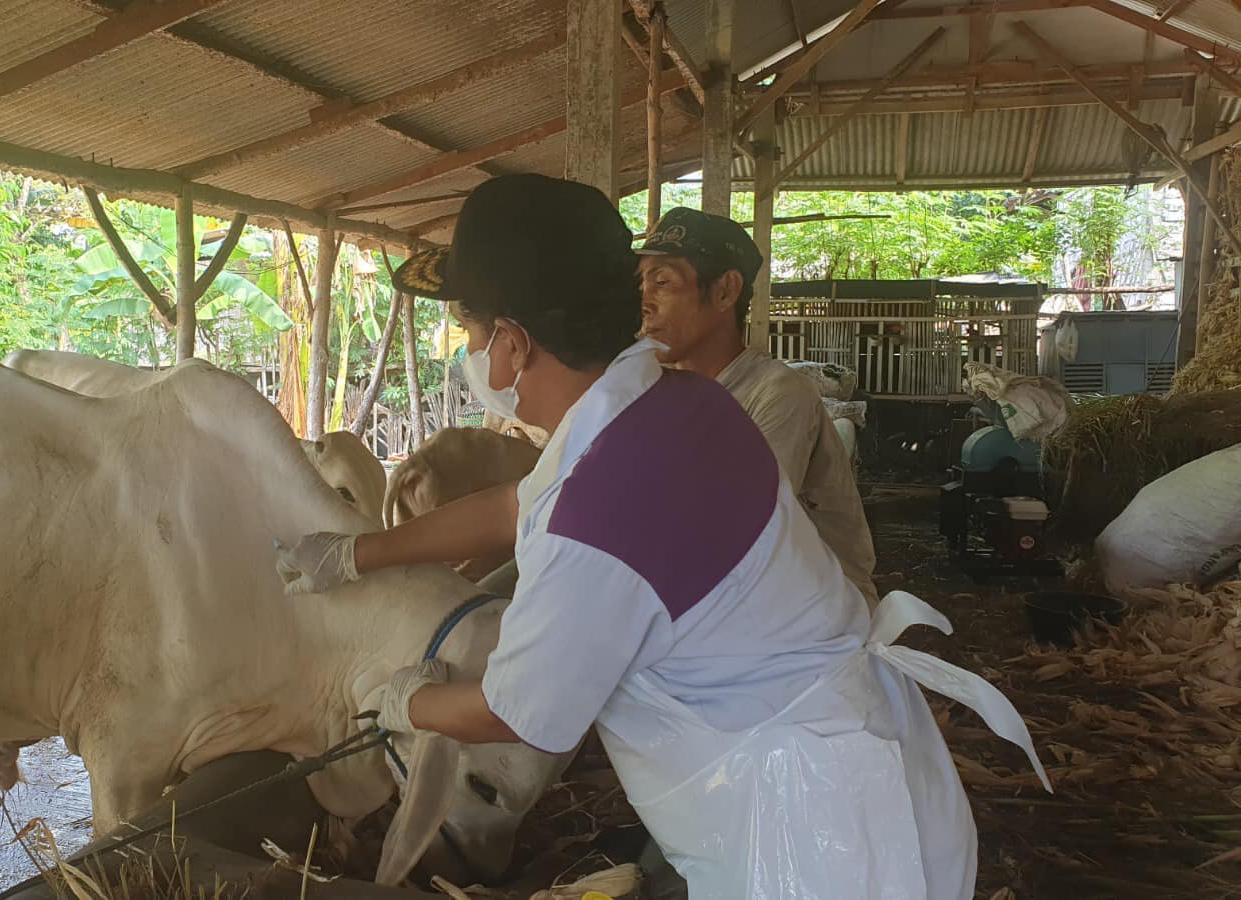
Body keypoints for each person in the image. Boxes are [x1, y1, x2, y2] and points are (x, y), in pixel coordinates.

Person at [275, 174, 1048, 899]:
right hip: (862, 770)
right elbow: (520, 502)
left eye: (469, 329)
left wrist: (404, 700)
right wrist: (354, 553)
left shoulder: (603, 506)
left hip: (812, 837)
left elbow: (520, 712)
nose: (470, 351)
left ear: (509, 344)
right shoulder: (670, 405)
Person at [636, 207, 878, 605]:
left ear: (725, 291)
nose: (644, 302)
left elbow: (735, 536)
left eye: (662, 282)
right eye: (641, 286)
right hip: (716, 600)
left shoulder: (778, 393)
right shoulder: (655, 392)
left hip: (812, 613)